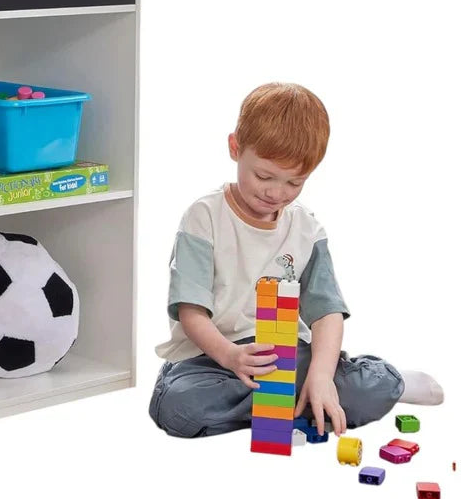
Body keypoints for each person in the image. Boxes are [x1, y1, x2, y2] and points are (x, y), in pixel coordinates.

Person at [149, 82, 443, 439]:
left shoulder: (306, 229)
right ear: (235, 148)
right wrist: (230, 356)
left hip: (285, 357)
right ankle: (292, 406)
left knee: (348, 387)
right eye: (264, 176)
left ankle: (381, 384)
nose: (276, 193)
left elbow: (326, 312)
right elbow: (191, 310)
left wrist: (321, 376)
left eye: (294, 183)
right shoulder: (204, 217)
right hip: (209, 360)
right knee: (177, 407)